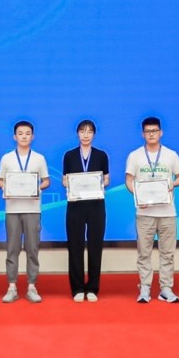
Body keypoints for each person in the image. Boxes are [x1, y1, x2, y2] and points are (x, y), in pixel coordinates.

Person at [125, 116, 179, 303]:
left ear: (161, 132)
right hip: (144, 213)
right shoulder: (135, 155)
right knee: (144, 253)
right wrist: (137, 196)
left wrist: (172, 184)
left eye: (154, 131)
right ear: (143, 134)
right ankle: (145, 288)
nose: (151, 134)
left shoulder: (171, 155)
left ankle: (166, 288)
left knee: (168, 253)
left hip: (167, 212)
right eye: (148, 131)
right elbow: (129, 180)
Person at [0, 120, 50, 303]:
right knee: (12, 249)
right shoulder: (6, 158)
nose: (24, 136)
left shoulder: (39, 158)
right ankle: (12, 287)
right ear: (15, 136)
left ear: (32, 136)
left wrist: (37, 188)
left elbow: (46, 181)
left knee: (32, 249)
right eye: (20, 133)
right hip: (12, 210)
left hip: (32, 209)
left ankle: (31, 287)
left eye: (27, 133)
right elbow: (0, 180)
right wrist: (6, 188)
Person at [62, 119, 110, 302]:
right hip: (75, 205)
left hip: (96, 205)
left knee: (95, 246)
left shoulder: (101, 155)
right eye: (82, 131)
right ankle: (77, 288)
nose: (86, 135)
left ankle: (92, 288)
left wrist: (99, 184)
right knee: (75, 246)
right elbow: (65, 180)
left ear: (94, 134)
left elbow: (107, 179)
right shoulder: (69, 155)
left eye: (89, 131)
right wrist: (71, 184)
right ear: (77, 133)